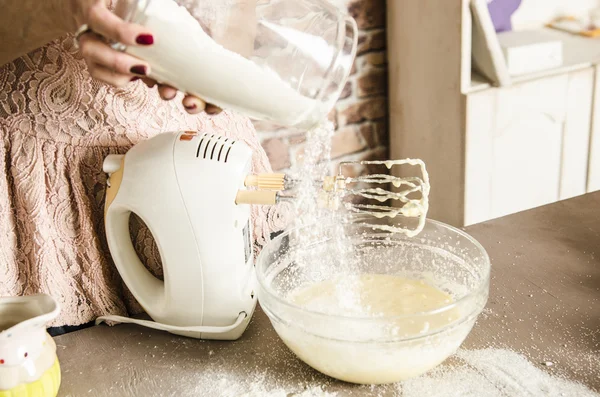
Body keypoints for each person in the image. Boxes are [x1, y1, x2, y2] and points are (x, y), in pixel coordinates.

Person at [0, 0, 280, 333]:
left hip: (215, 148)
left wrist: (208, 54)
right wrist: (62, 10)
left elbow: (238, 20)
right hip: (46, 195)